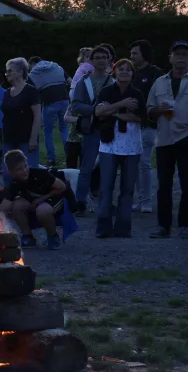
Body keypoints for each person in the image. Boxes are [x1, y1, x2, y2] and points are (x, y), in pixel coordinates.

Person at [146, 41, 188, 239]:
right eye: (177, 54)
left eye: (185, 54)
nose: (181, 57)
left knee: (187, 184)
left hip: (187, 138)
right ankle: (163, 226)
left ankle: (186, 225)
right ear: (170, 58)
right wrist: (159, 110)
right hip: (164, 139)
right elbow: (149, 110)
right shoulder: (159, 82)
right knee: (164, 185)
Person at [94, 59, 145, 238]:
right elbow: (99, 112)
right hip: (109, 145)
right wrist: (121, 106)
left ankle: (123, 227)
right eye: (121, 69)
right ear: (114, 72)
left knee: (127, 188)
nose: (125, 72)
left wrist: (112, 112)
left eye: (129, 70)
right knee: (106, 187)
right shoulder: (107, 91)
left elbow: (140, 117)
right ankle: (103, 227)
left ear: (132, 74)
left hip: (131, 146)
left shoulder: (137, 93)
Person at [69, 45, 114, 213]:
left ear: (109, 59)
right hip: (91, 129)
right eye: (98, 57)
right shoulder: (84, 82)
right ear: (91, 60)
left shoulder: (114, 81)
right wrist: (94, 110)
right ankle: (81, 201)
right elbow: (75, 106)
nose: (101, 60)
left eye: (105, 57)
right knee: (87, 167)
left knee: (109, 167)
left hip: (110, 130)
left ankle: (106, 201)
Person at [0, 149, 75, 250]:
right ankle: (28, 236)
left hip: (56, 198)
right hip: (36, 202)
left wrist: (41, 199)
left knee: (42, 210)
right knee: (16, 205)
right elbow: (5, 206)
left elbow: (62, 187)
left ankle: (53, 236)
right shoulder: (15, 183)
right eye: (19, 169)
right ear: (11, 171)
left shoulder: (40, 174)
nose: (24, 171)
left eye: (25, 166)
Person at [128, 40, 164, 214]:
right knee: (135, 163)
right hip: (130, 124)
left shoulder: (155, 73)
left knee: (144, 163)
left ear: (144, 54)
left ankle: (147, 201)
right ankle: (140, 199)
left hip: (148, 125)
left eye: (135, 53)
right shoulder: (130, 73)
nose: (131, 56)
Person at [0, 58, 41, 180]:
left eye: (10, 71)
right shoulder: (7, 93)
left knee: (28, 172)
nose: (6, 74)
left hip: (26, 139)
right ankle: (10, 197)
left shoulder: (31, 91)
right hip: (9, 139)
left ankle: (30, 198)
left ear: (20, 72)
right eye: (6, 71)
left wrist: (33, 139)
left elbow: (38, 116)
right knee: (8, 172)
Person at [28, 56, 70, 166]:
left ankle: (51, 158)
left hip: (49, 102)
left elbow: (31, 91)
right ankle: (70, 156)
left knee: (48, 131)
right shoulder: (56, 66)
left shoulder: (33, 73)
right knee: (64, 128)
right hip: (64, 99)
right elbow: (70, 81)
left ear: (32, 64)